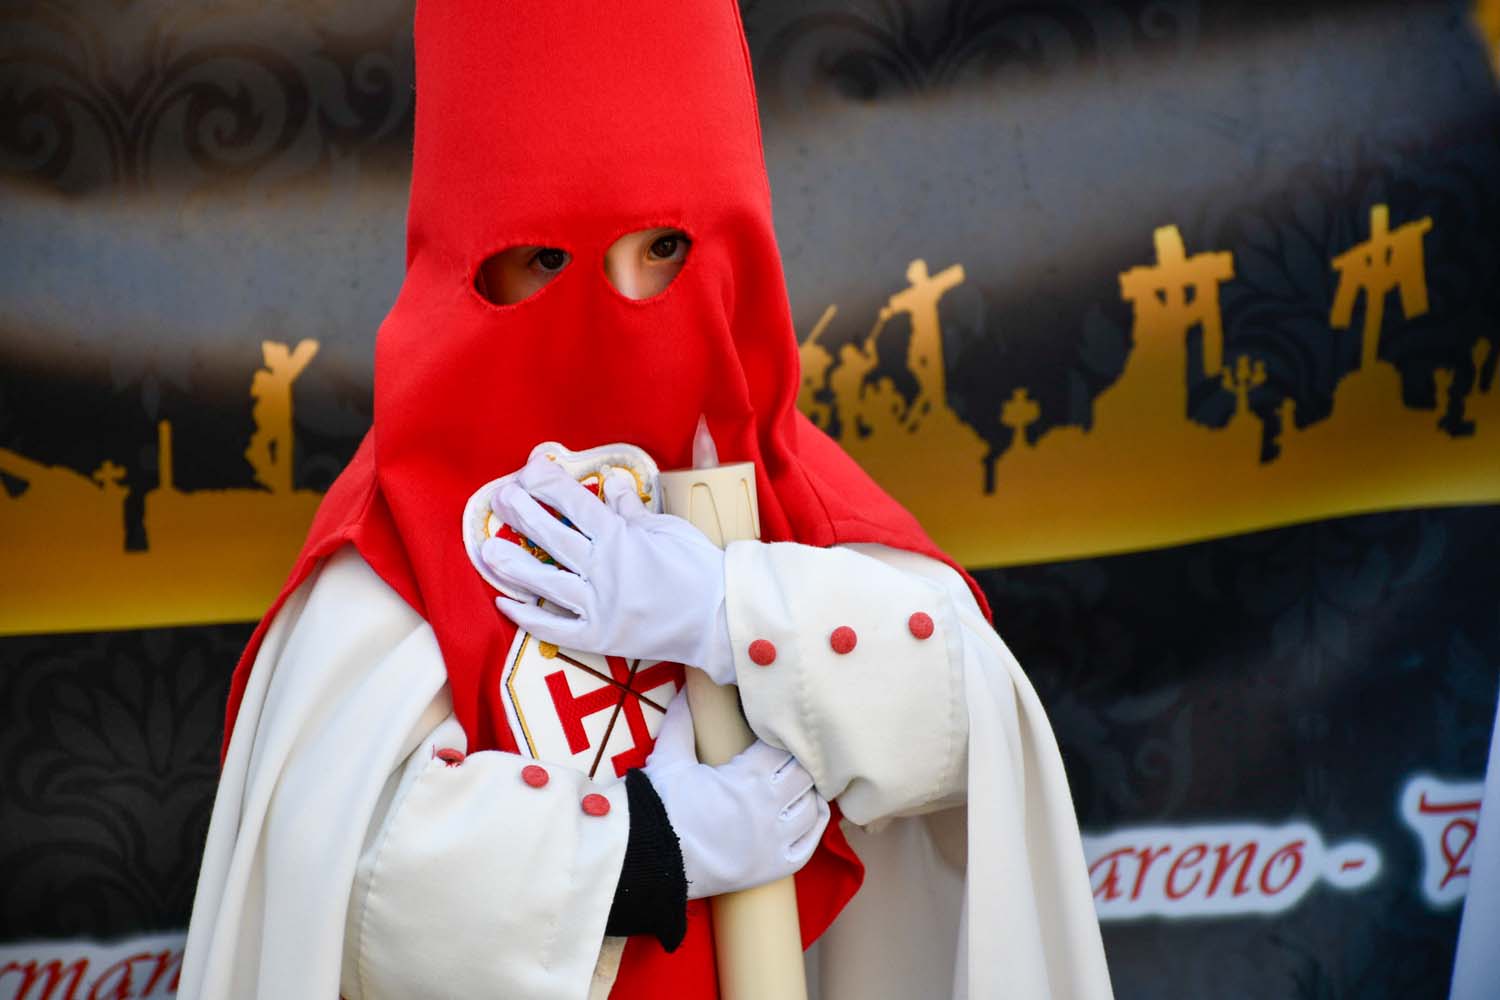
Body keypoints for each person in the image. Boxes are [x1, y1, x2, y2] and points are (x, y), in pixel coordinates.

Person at [180, 3, 1113, 998]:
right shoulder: (397, 532)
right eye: (548, 259)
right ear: (472, 256)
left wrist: (729, 609)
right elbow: (344, 877)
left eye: (663, 248)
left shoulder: (788, 481)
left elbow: (972, 732)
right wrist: (653, 846)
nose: (618, 317)